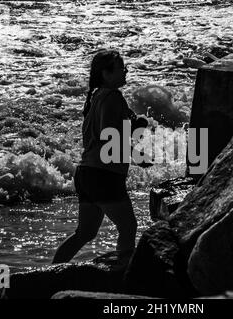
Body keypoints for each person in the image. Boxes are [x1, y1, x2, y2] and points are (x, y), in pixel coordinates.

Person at [52, 50, 150, 264]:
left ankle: (49, 276)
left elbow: (109, 131)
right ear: (105, 74)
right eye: (121, 69)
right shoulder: (113, 96)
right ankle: (124, 278)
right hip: (104, 175)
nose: (125, 73)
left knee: (85, 233)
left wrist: (134, 125)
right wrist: (137, 155)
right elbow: (109, 136)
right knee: (128, 226)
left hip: (86, 173)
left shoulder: (96, 96)